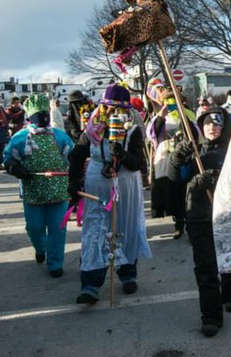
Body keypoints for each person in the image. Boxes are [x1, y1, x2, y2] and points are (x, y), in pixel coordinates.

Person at [68, 83, 152, 304]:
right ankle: (91, 283)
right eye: (109, 107)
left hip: (126, 184)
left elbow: (137, 164)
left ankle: (127, 274)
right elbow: (77, 155)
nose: (114, 112)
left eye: (119, 108)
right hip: (98, 183)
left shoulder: (133, 129)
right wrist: (74, 182)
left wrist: (122, 154)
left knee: (126, 227)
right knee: (96, 230)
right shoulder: (92, 129)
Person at [167, 107, 231, 337]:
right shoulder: (194, 151)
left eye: (217, 124)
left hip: (226, 213)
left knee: (228, 259)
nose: (212, 128)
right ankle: (211, 316)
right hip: (198, 215)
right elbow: (174, 178)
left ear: (224, 127)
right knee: (205, 267)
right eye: (208, 123)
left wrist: (218, 179)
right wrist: (178, 157)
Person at [3, 94, 74, 277]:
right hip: (33, 190)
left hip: (58, 190)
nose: (42, 118)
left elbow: (72, 157)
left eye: (45, 114)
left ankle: (55, 263)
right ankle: (41, 247)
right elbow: (8, 158)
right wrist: (14, 167)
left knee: (58, 228)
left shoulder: (60, 136)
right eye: (38, 115)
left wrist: (76, 177)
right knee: (34, 227)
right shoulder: (20, 137)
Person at [147, 87, 198, 239]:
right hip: (167, 160)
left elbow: (196, 133)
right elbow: (153, 134)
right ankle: (178, 224)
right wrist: (161, 117)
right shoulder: (160, 117)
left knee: (186, 192)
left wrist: (184, 116)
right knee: (173, 193)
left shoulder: (187, 114)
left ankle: (190, 223)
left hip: (185, 158)